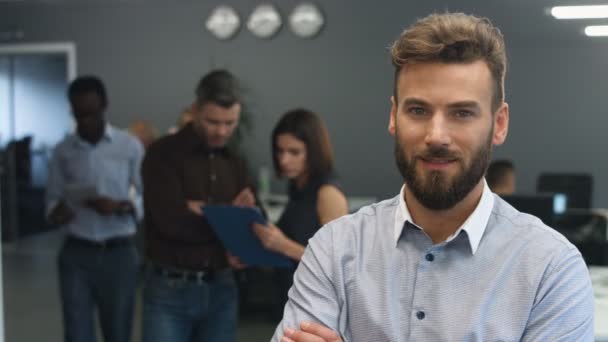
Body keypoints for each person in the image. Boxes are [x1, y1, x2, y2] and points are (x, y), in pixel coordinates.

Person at [272, 12, 594, 342]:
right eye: (418, 110)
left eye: (462, 113)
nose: (436, 135)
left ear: (499, 124)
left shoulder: (550, 268)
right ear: (394, 116)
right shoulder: (333, 250)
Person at [141, 69, 255, 342]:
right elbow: (171, 223)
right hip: (170, 289)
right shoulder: (162, 154)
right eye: (213, 121)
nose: (222, 131)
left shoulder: (235, 160)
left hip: (222, 289)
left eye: (230, 123)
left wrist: (203, 211)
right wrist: (228, 220)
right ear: (194, 110)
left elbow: (251, 218)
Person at [46, 76, 144, 342]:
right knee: (77, 333)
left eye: (91, 113)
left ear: (104, 106)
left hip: (119, 252)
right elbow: (52, 201)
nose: (85, 121)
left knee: (118, 331)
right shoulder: (62, 151)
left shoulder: (129, 146)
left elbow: (143, 195)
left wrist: (122, 206)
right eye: (79, 115)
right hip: (76, 251)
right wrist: (60, 211)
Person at [252, 109, 348, 320]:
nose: (284, 160)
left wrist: (282, 245)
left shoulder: (327, 193)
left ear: (313, 152)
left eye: (294, 152)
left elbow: (337, 267)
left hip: (317, 309)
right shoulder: (297, 187)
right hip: (293, 299)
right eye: (280, 151)